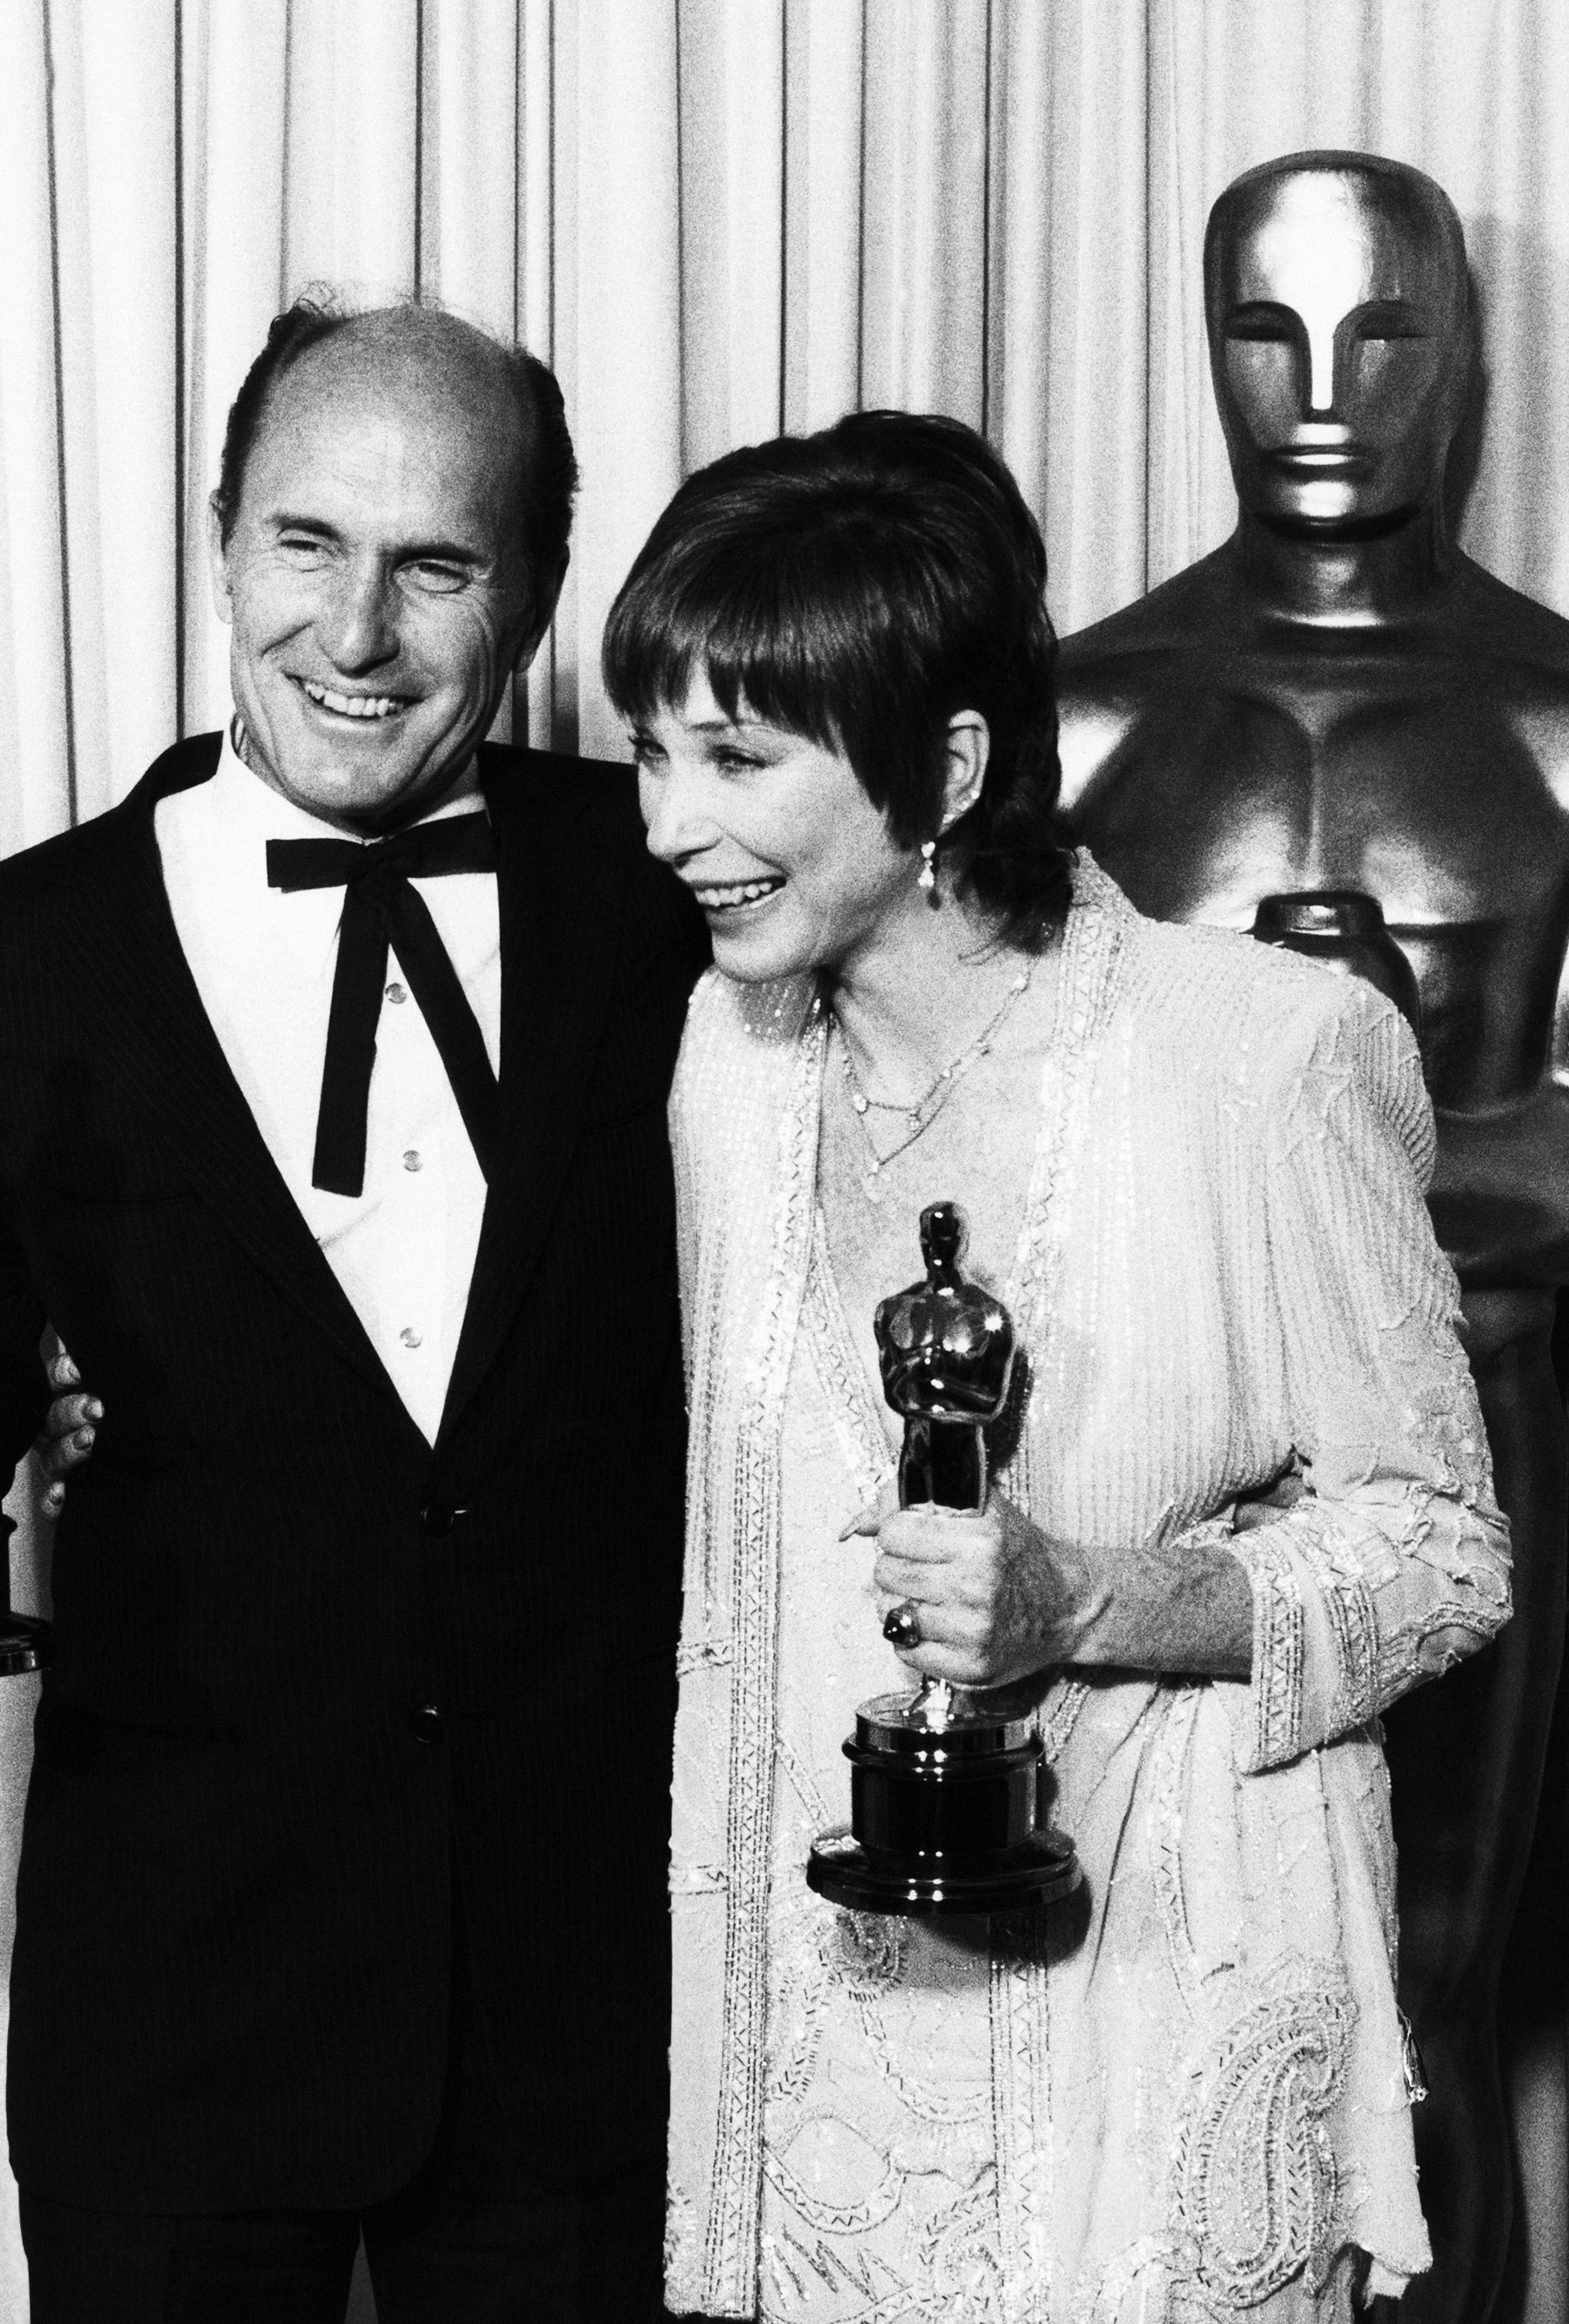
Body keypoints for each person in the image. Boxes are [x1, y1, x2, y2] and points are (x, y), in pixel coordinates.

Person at [0, 297, 706, 2323]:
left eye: (435, 563)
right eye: (304, 543)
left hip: (587, 2014)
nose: (354, 633)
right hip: (178, 2001)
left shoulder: (676, 904)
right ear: (218, 541)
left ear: (540, 593)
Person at [599, 410, 1512, 2321]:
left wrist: (1088, 1595)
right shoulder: (725, 1061)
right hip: (834, 2059)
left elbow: (1439, 1550)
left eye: (735, 758)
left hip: (1159, 2025)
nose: (667, 824)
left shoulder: (1256, 1056)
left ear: (942, 762)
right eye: (651, 751)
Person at [1057, 152, 1569, 2321]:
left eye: (1381, 331)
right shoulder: (1082, 709)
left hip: (1487, 1419)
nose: (1324, 388)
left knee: (1425, 2022)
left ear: (1459, 351)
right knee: (1132, 2009)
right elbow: (986, 1141)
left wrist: (1373, 1089)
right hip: (1136, 1451)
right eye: (1267, 331)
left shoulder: (1553, 715)